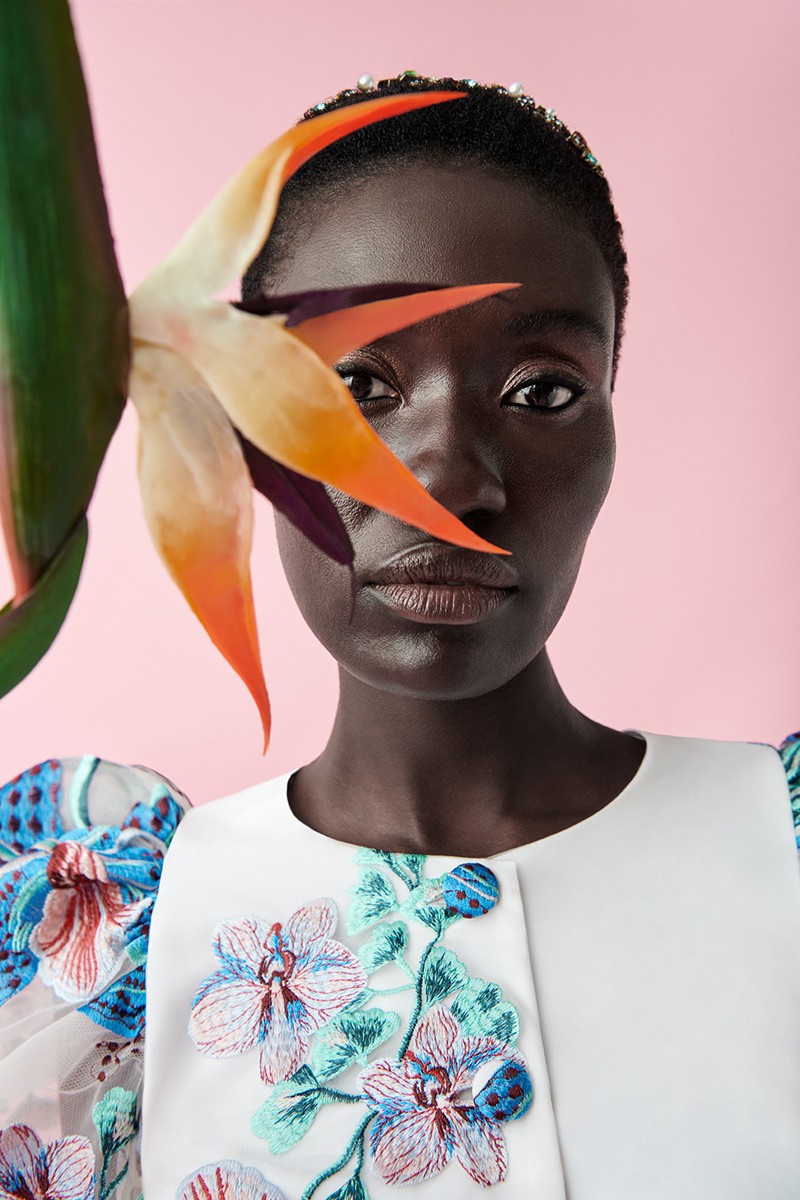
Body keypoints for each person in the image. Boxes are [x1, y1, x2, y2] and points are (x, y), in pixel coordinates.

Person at [1, 74, 798, 1200]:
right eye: (354, 385)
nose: (446, 485)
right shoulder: (103, 937)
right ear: (240, 437)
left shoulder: (779, 847)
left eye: (542, 392)